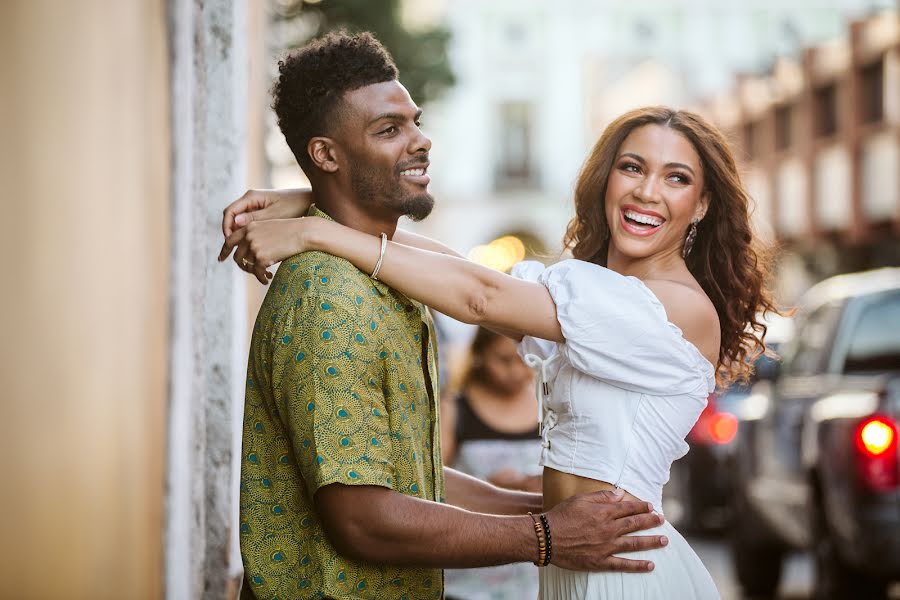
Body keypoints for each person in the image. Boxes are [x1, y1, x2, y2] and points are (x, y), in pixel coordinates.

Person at [221, 104, 780, 598]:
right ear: (606, 179)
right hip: (573, 561)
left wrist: (314, 234)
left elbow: (480, 295)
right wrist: (312, 203)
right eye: (632, 167)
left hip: (625, 571)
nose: (646, 191)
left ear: (702, 204)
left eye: (676, 178)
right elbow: (457, 267)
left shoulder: (673, 307)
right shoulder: (596, 293)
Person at [442, 327, 543, 600]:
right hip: (468, 579)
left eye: (524, 360)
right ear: (480, 355)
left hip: (536, 576)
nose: (516, 371)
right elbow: (431, 486)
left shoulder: (548, 406)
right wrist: (488, 490)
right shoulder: (454, 409)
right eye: (503, 360)